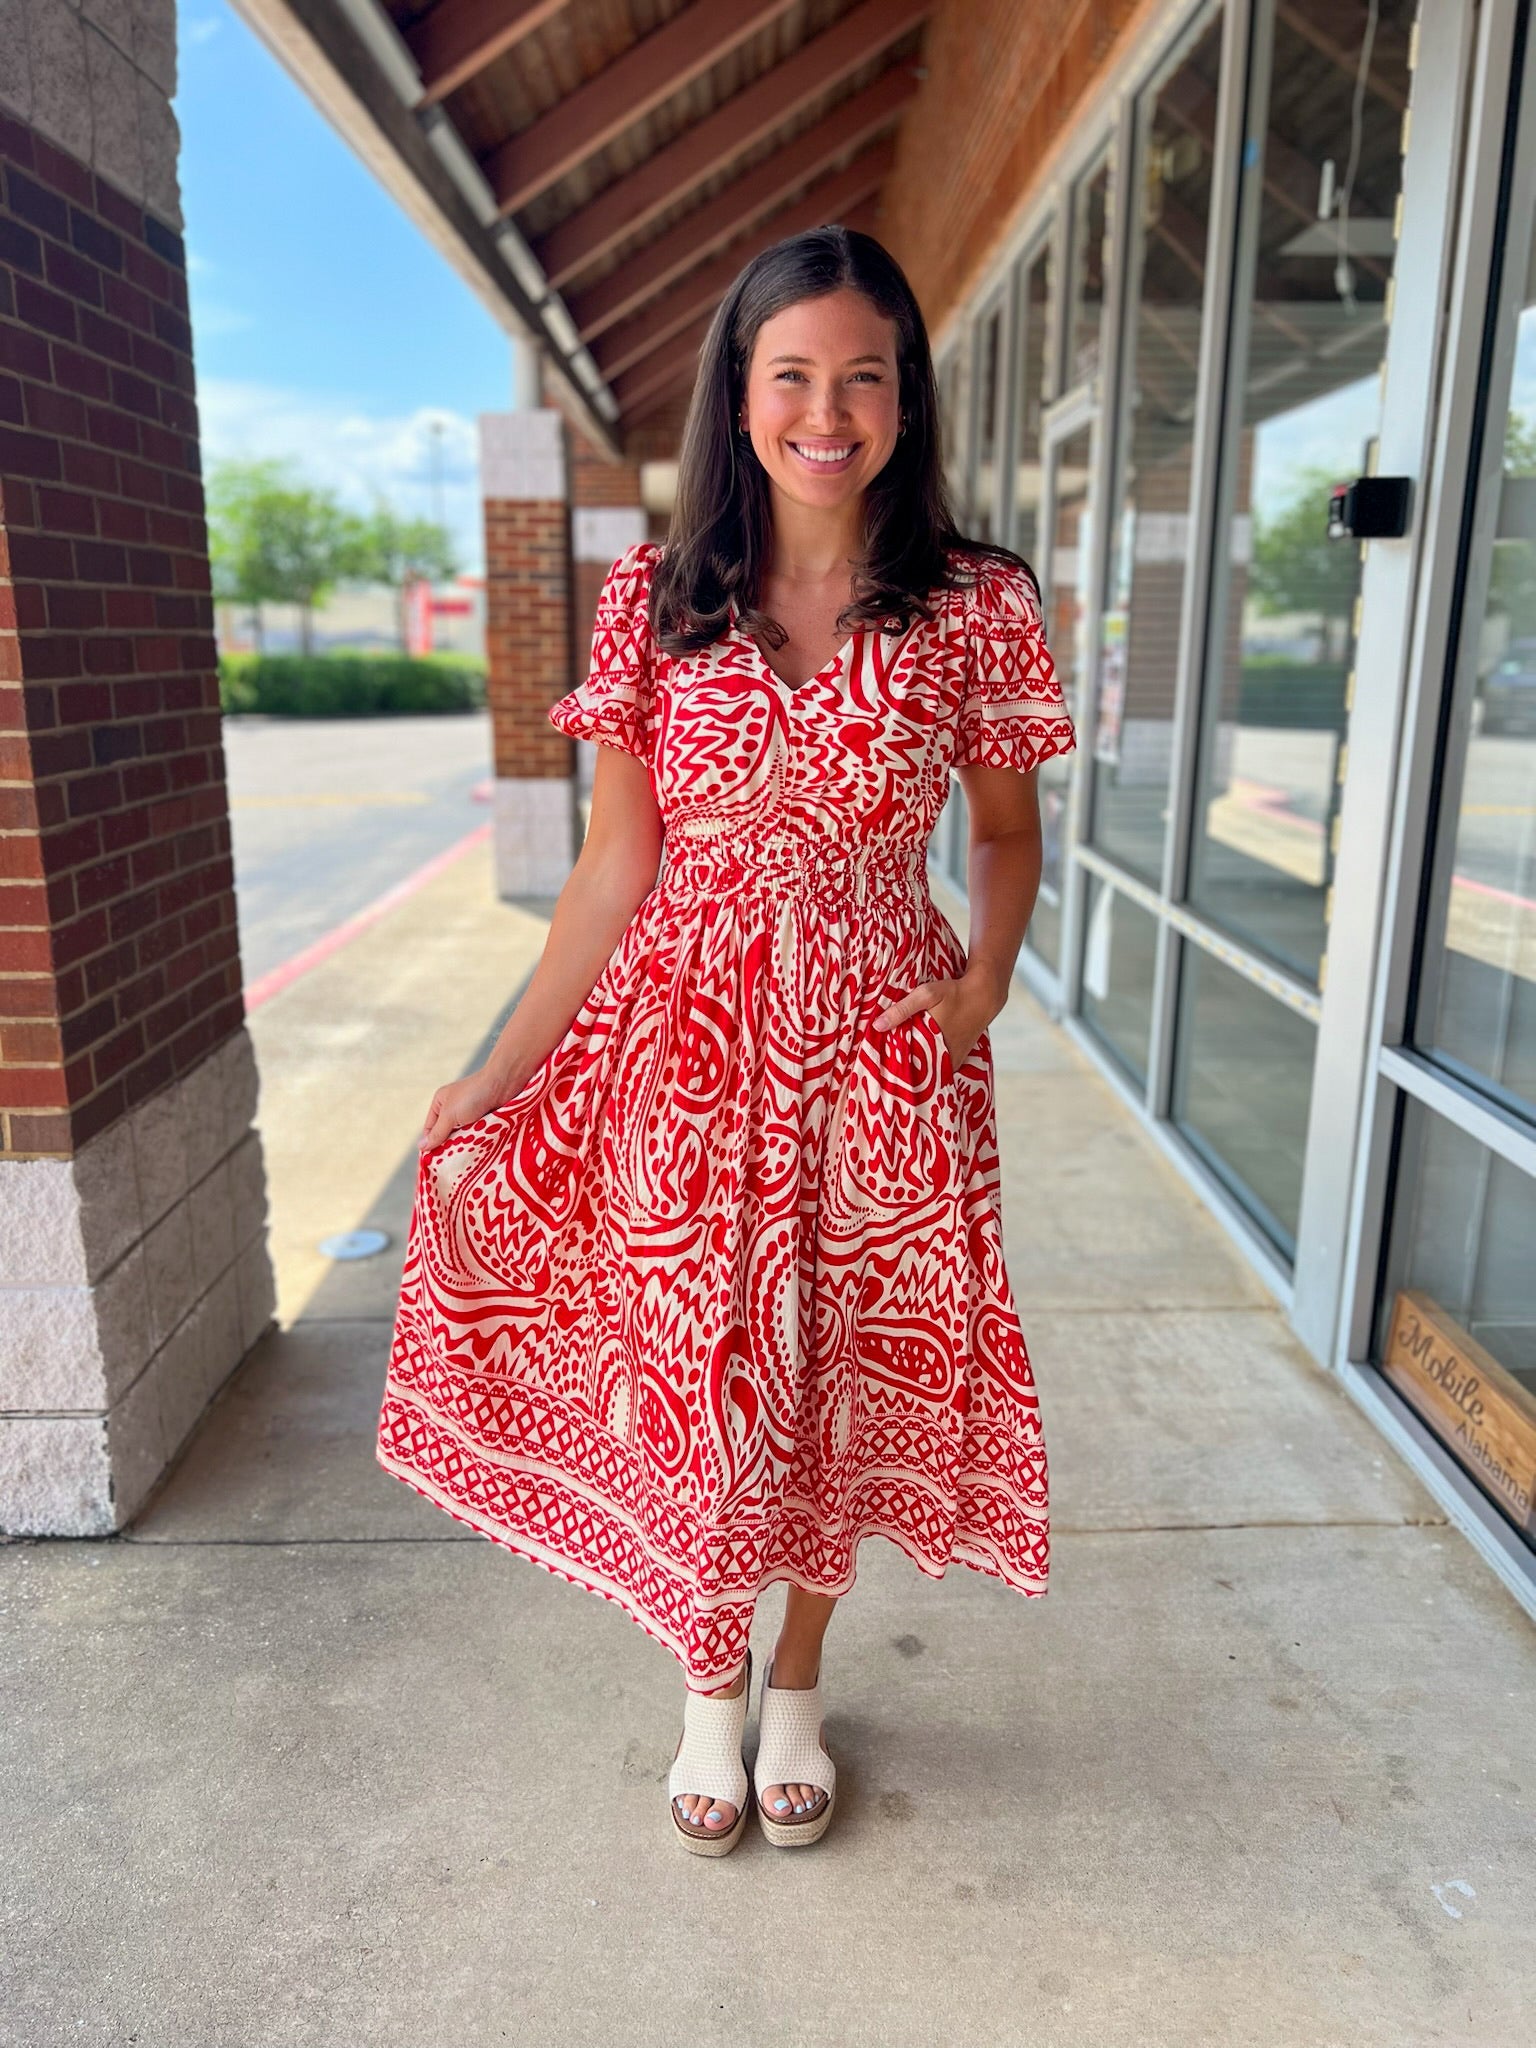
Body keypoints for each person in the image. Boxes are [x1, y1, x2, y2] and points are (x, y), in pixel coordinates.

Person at [376, 226, 1076, 1857]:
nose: (828, 411)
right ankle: (707, 1683)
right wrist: (494, 1075)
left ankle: (805, 1683)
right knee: (703, 1386)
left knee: (843, 1387)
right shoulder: (653, 599)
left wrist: (982, 989)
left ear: (906, 395)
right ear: (739, 394)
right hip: (684, 1058)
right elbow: (615, 867)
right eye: (794, 377)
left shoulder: (978, 604)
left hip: (884, 1065)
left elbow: (1007, 837)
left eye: (864, 377)